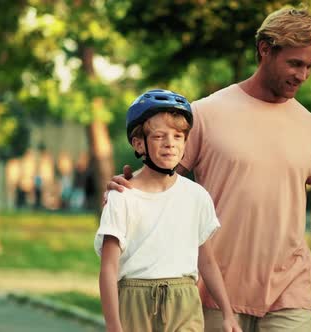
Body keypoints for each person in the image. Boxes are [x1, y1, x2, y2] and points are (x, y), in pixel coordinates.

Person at [107, 5, 311, 331]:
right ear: (265, 50)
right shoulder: (206, 115)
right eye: (295, 63)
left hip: (289, 289)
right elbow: (159, 180)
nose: (302, 75)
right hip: (215, 289)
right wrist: (127, 190)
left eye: (310, 66)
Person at [95, 89, 241, 332]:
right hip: (135, 300)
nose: (170, 144)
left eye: (177, 136)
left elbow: (207, 261)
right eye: (159, 136)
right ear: (139, 143)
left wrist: (228, 314)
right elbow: (108, 268)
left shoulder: (196, 196)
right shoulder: (122, 196)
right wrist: (113, 326)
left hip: (183, 299)